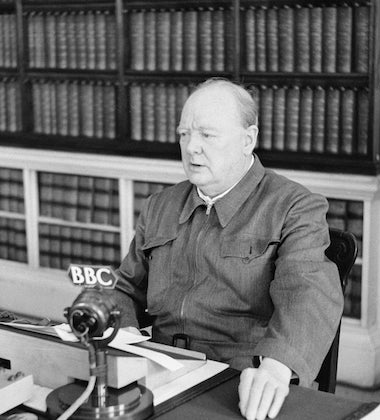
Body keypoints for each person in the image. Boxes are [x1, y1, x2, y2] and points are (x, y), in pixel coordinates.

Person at [110, 78, 344, 420]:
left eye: (207, 135)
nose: (191, 147)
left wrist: (277, 366)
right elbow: (124, 288)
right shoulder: (160, 205)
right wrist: (126, 333)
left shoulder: (294, 207)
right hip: (160, 372)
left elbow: (307, 293)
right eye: (184, 134)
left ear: (248, 140)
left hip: (240, 381)